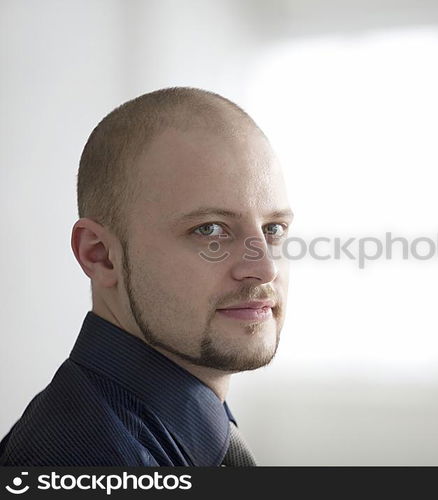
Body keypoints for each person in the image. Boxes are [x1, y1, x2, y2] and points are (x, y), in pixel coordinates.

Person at [0, 87, 293, 466]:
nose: (264, 267)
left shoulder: (170, 435)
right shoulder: (86, 460)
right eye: (209, 230)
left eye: (273, 229)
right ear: (101, 255)